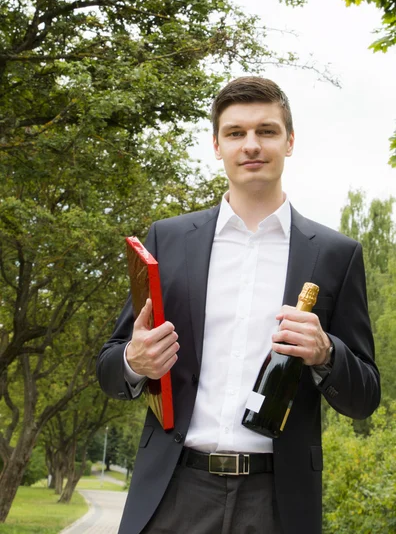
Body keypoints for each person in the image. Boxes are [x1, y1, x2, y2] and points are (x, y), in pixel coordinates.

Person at [97, 76, 380, 534]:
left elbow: (365, 395)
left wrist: (327, 354)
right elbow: (109, 367)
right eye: (236, 133)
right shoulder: (167, 240)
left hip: (277, 502)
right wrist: (134, 360)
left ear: (289, 142)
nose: (252, 145)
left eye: (266, 131)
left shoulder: (335, 254)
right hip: (173, 491)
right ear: (216, 145)